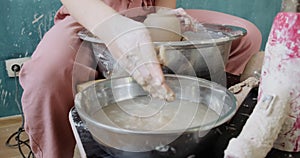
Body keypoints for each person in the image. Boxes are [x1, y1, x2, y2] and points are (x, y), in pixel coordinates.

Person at [19, 0, 261, 157]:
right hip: (90, 12)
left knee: (246, 35)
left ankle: (211, 129)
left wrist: (167, 15)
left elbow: (163, 9)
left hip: (148, 11)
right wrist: (114, 28)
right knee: (45, 76)